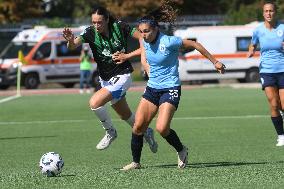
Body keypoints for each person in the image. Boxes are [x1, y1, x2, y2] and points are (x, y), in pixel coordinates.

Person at [121, 2, 226, 171]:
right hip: (152, 88)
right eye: (141, 31)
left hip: (170, 88)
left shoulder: (169, 41)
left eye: (146, 31)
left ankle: (182, 150)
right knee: (138, 126)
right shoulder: (145, 40)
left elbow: (194, 44)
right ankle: (136, 162)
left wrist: (215, 62)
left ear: (156, 29)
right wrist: (130, 57)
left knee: (162, 128)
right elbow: (144, 51)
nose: (143, 35)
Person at [62, 6, 158, 152]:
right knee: (125, 115)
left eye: (99, 22)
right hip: (105, 78)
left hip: (122, 75)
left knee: (95, 102)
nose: (96, 25)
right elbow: (73, 45)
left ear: (107, 20)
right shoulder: (89, 32)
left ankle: (110, 132)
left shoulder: (120, 27)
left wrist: (128, 56)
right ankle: (146, 131)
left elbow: (142, 38)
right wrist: (70, 40)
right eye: (94, 22)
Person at [248, 1, 284, 146]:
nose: (269, 13)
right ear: (263, 13)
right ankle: (281, 135)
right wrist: (251, 50)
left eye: (271, 11)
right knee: (274, 103)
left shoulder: (283, 27)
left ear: (276, 12)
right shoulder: (258, 30)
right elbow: (253, 43)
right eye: (266, 11)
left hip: (283, 70)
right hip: (266, 71)